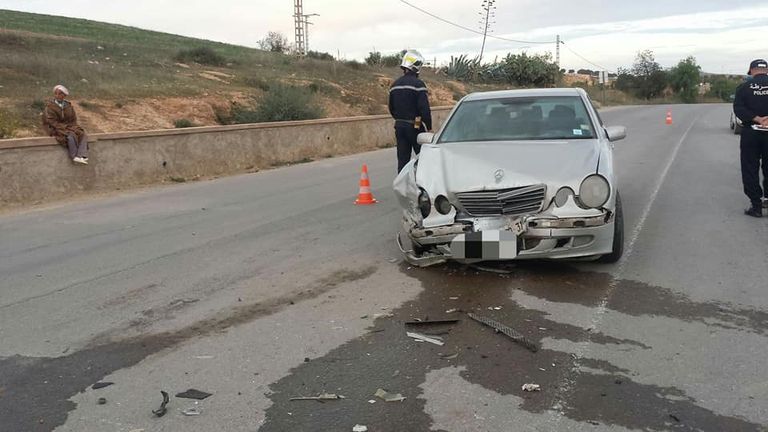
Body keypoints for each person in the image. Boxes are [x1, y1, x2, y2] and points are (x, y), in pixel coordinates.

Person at [733, 59, 768, 217]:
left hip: (751, 133)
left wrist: (757, 118)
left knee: (750, 168)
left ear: (751, 70)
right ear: (766, 70)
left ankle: (756, 205)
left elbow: (738, 109)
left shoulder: (744, 87)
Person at [388, 50, 432, 173]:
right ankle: (423, 184)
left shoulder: (394, 85)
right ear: (417, 67)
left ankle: (402, 186)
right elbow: (424, 109)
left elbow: (391, 108)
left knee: (402, 160)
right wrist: (429, 127)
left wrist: (399, 119)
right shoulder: (418, 84)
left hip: (400, 125)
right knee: (424, 157)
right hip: (415, 125)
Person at [43, 85, 89, 165]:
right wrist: (65, 127)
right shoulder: (50, 107)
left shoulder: (68, 106)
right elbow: (51, 121)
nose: (58, 96)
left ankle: (81, 155)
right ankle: (74, 156)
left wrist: (72, 126)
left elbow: (73, 119)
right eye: (56, 94)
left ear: (64, 95)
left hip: (69, 126)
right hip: (56, 128)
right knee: (71, 136)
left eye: (60, 94)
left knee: (82, 133)